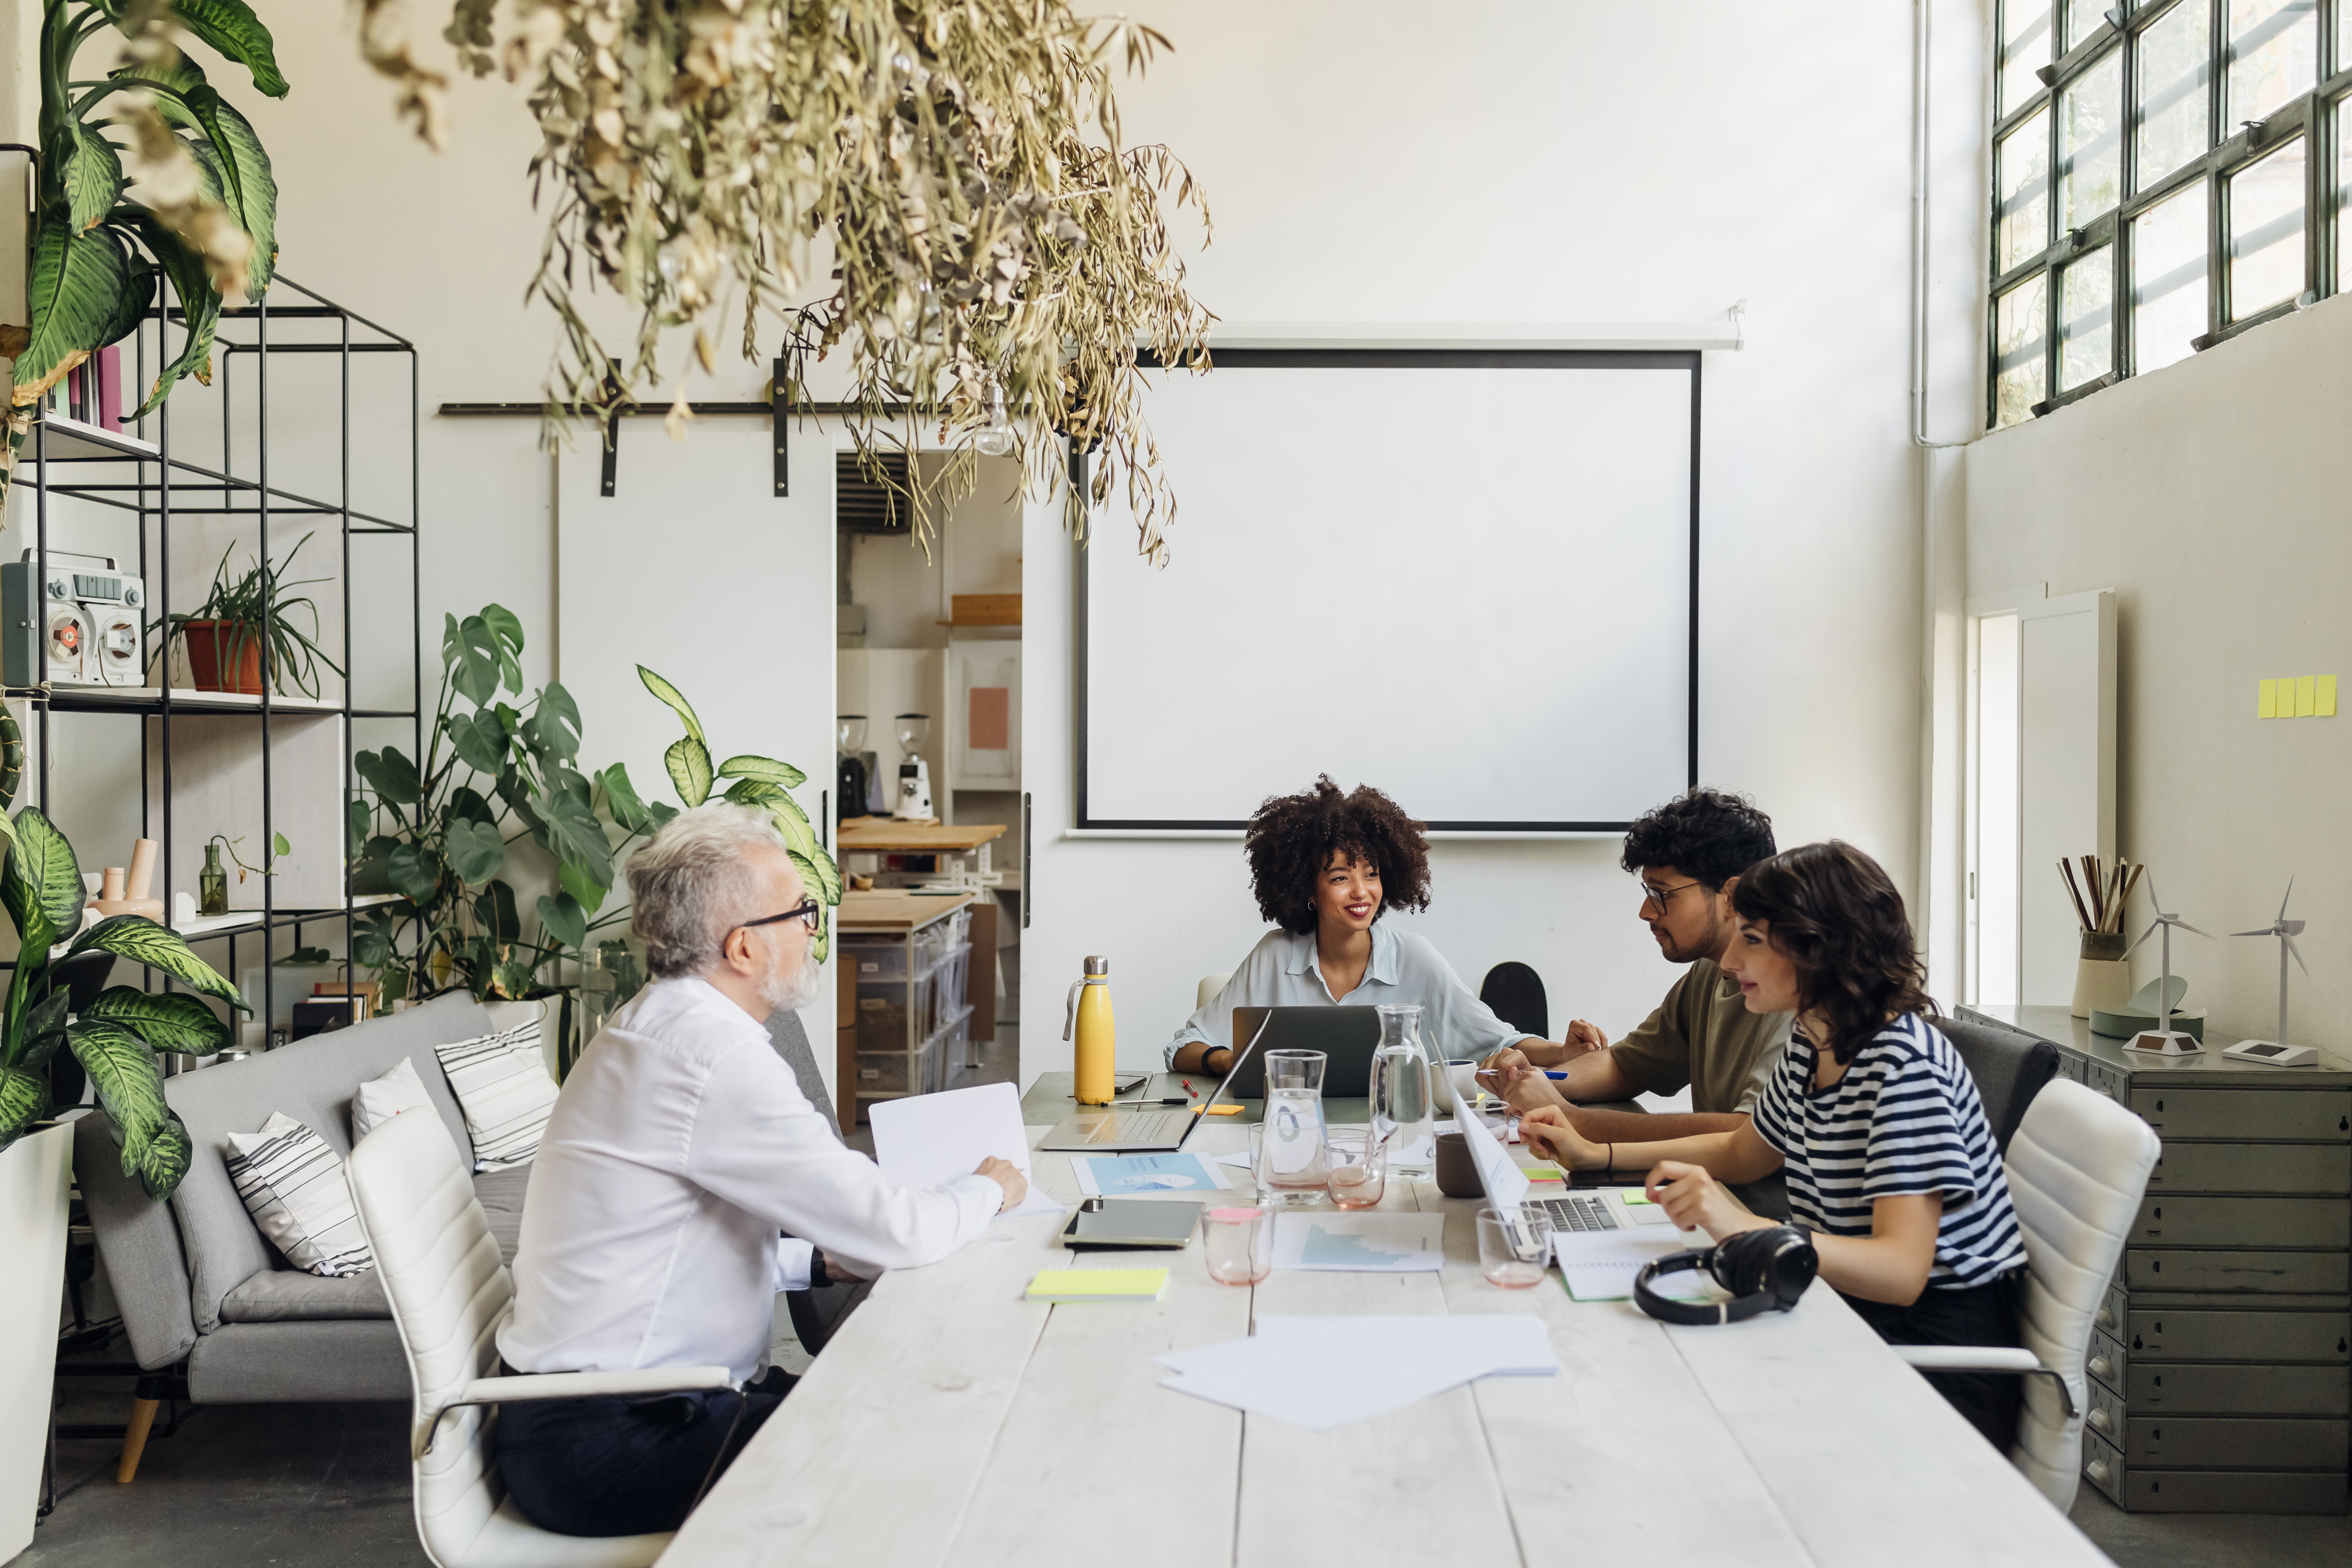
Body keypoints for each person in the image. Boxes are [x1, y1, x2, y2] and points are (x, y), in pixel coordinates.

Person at [495, 803, 1029, 1536]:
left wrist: (816, 1262)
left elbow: (661, 1253)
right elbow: (893, 1232)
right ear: (743, 948)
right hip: (615, 1441)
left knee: (902, 1405)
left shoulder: (656, 1024)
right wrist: (989, 1189)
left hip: (605, 1413)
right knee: (927, 1443)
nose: (815, 928)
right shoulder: (712, 1058)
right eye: (801, 911)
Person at [1517, 841, 2030, 1448]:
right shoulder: (1815, 1042)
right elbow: (1744, 1153)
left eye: (1753, 939)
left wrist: (1746, 1227)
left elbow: (1901, 1271)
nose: (1730, 959)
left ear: (1821, 948)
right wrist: (1594, 1156)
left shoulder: (1901, 1065)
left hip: (1932, 1362)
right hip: (1852, 1316)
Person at [1164, 776, 1558, 1073]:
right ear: (1308, 890)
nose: (1361, 892)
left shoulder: (1415, 959)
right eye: (1339, 878)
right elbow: (1183, 1048)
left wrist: (1565, 1051)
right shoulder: (1275, 954)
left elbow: (1502, 1041)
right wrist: (1230, 1062)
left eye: (1371, 874)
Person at [1478, 788, 1789, 1153]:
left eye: (1663, 893)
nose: (1646, 910)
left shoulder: (1794, 995)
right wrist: (1535, 1081)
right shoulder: (1707, 973)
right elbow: (1627, 1065)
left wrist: (1570, 1118)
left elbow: (1744, 1136)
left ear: (1731, 896)